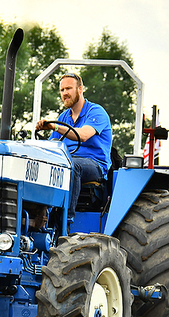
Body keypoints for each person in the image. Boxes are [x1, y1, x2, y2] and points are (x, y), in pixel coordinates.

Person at [35, 72, 112, 223]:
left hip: (93, 164)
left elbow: (82, 135)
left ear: (80, 89)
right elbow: (52, 147)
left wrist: (55, 127)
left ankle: (65, 221)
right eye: (62, 90)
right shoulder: (64, 117)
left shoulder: (96, 112)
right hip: (67, 161)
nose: (65, 93)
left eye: (69, 89)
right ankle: (39, 216)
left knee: (72, 166)